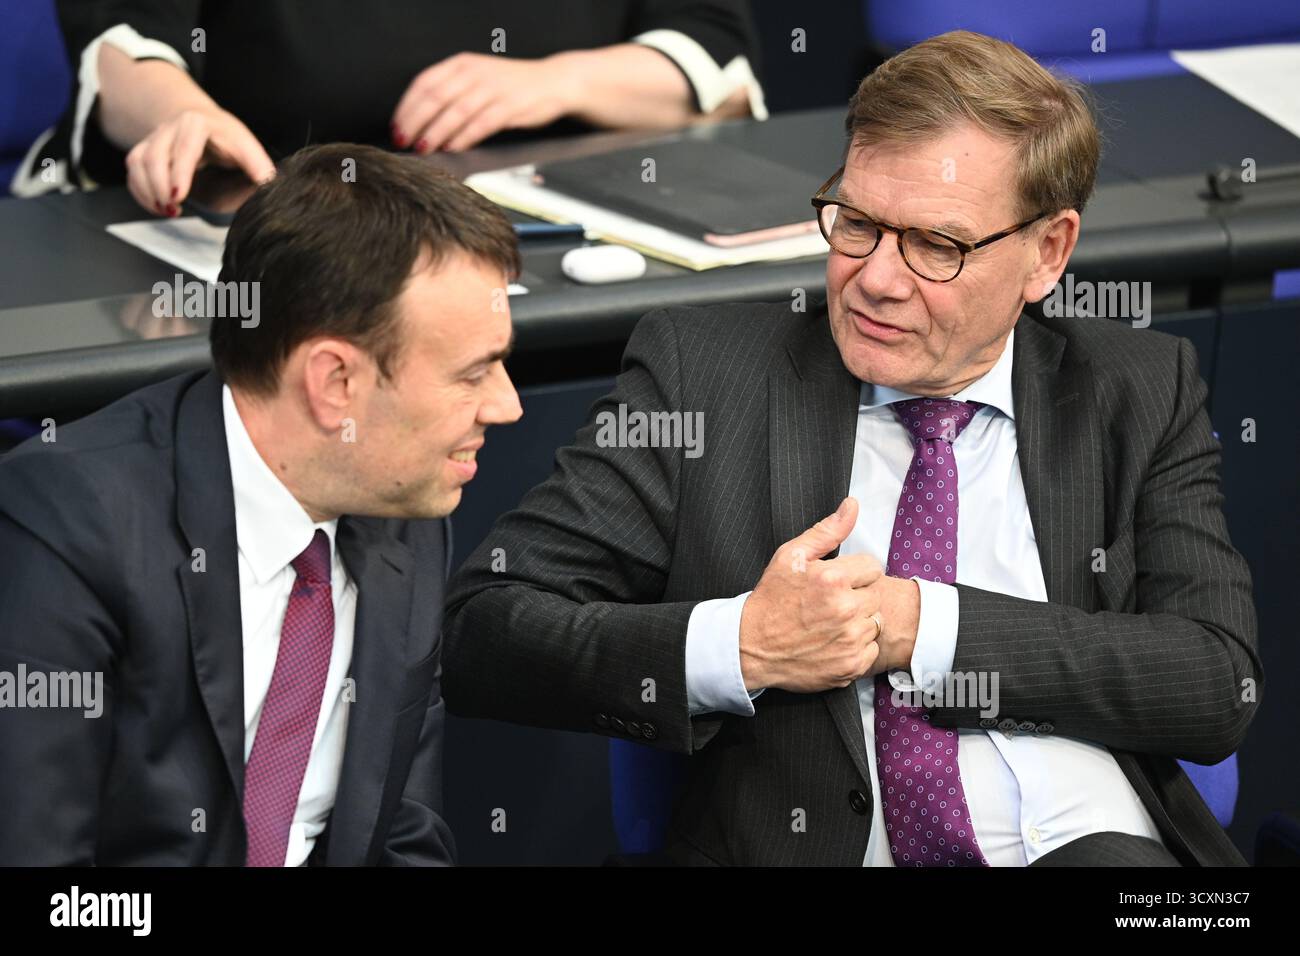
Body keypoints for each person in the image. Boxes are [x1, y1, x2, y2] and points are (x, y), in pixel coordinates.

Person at [442, 31, 1261, 867]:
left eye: (938, 246)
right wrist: (745, 644)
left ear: (1047, 253)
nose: (876, 278)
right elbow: (488, 633)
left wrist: (919, 625)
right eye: (858, 223)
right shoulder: (706, 377)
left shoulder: (1138, 386)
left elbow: (1214, 684)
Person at [0, 143, 523, 865]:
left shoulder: (404, 515)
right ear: (334, 381)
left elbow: (404, 833)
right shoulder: (72, 525)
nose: (508, 405)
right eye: (474, 373)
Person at [15, 0, 765, 207]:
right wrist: (186, 115)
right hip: (271, 229)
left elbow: (712, 54)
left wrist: (554, 80)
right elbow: (123, 50)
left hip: (549, 242)